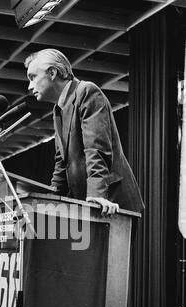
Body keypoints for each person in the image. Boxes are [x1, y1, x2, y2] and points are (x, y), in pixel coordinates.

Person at [25, 49, 144, 215]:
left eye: (33, 77)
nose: (30, 86)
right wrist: (50, 200)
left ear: (52, 73)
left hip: (111, 202)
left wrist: (96, 195)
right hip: (89, 205)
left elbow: (96, 149)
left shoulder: (87, 92)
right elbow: (62, 163)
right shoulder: (58, 109)